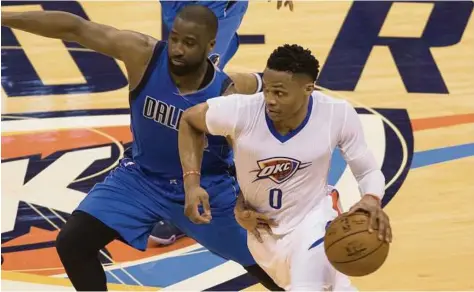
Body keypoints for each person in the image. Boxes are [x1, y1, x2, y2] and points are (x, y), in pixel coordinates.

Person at [1, 5, 283, 291]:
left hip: (208, 191)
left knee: (279, 274)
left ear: (211, 46)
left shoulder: (229, 92)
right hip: (141, 179)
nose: (177, 49)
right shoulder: (143, 55)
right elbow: (74, 28)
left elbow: (257, 143)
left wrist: (247, 201)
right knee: (73, 241)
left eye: (189, 43)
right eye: (174, 38)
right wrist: (4, 16)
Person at [178, 44, 393, 290]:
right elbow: (190, 120)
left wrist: (372, 198)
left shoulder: (336, 114)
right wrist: (192, 183)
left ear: (308, 89)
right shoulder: (242, 111)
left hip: (314, 223)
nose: (269, 100)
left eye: (279, 93)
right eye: (267, 90)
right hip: (263, 237)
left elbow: (366, 170)